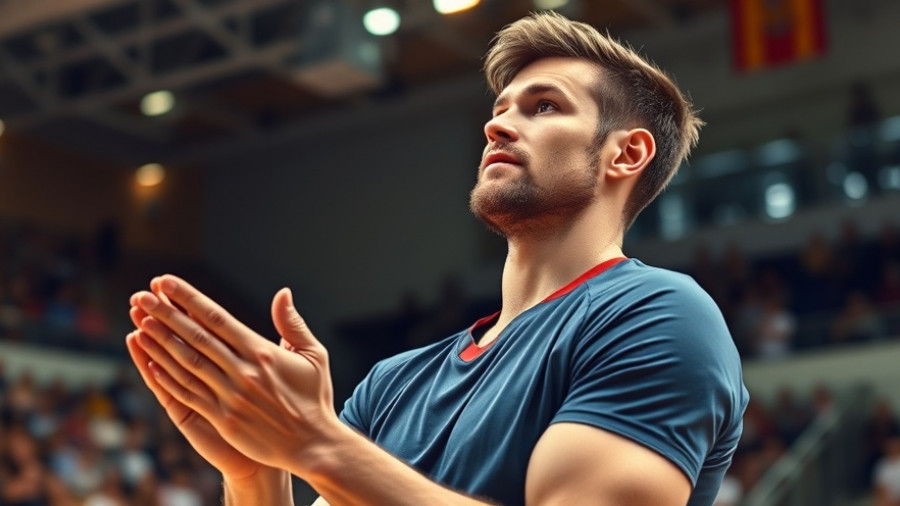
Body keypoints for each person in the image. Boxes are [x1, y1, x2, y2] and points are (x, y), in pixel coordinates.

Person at [125, 12, 748, 506]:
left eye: (544, 106)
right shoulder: (391, 383)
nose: (497, 127)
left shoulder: (660, 316)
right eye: (498, 109)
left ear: (625, 154)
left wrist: (313, 440)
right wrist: (255, 472)